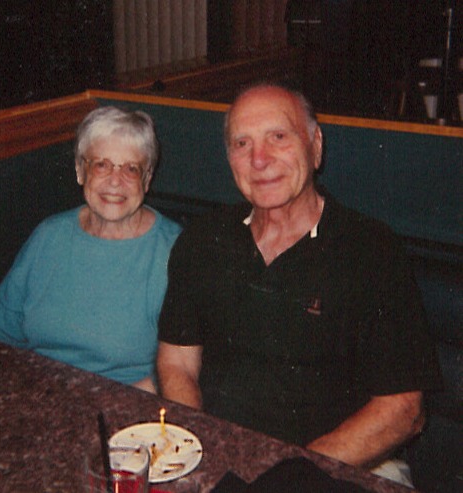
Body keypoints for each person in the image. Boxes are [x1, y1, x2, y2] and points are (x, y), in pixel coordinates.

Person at [157, 84, 441, 478]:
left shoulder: (371, 250)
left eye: (278, 137)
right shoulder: (203, 239)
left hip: (343, 464)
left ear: (315, 145)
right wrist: (199, 448)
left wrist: (286, 476)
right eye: (242, 143)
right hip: (220, 457)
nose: (259, 159)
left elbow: (404, 409)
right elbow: (177, 363)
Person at [0, 106, 181, 393]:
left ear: (147, 178)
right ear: (80, 171)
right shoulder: (49, 236)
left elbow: (181, 368)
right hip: (36, 393)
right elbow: (2, 331)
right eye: (102, 164)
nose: (115, 180)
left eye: (131, 168)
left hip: (124, 403)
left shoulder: (174, 251)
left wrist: (108, 404)